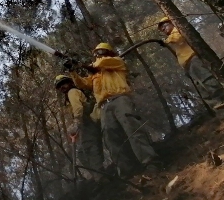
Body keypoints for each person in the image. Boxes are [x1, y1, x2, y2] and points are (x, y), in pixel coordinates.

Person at [63, 43, 158, 178]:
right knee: (111, 138)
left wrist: (81, 64)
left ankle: (150, 161)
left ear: (109, 52)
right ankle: (127, 170)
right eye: (96, 54)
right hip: (104, 106)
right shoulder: (96, 74)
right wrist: (72, 70)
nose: (98, 55)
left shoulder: (116, 62)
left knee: (132, 129)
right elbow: (82, 83)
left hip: (120, 99)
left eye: (100, 52)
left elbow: (101, 63)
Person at [158, 17, 224, 116]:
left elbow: (178, 37)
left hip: (194, 61)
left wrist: (166, 41)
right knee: (205, 93)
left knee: (211, 84)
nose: (164, 30)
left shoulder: (177, 29)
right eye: (162, 30)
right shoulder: (172, 36)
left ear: (171, 22)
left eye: (164, 26)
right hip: (189, 67)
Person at [54, 74, 104, 181]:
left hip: (88, 122)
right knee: (82, 152)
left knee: (90, 148)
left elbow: (78, 108)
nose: (62, 87)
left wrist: (76, 122)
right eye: (60, 86)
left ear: (70, 83)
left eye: (64, 83)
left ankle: (100, 176)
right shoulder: (69, 97)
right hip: (85, 124)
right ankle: (97, 175)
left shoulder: (72, 92)